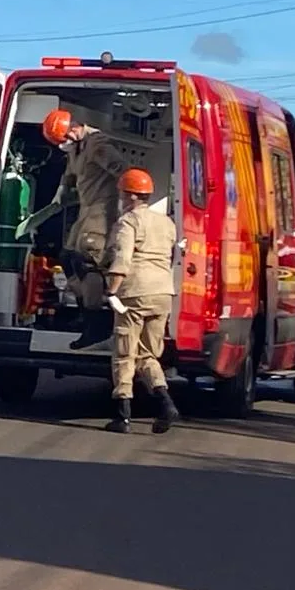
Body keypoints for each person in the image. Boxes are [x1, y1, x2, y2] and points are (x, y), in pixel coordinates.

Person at [41, 108, 129, 350]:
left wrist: (129, 202)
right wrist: (62, 189)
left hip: (102, 212)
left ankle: (96, 324)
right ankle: (85, 313)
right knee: (67, 257)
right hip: (85, 210)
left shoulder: (97, 145)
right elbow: (70, 172)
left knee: (88, 262)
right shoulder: (76, 148)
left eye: (64, 140)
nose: (63, 146)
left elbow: (124, 170)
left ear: (74, 129)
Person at [102, 168, 180, 435]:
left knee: (125, 353)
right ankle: (165, 403)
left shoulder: (128, 222)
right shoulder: (167, 223)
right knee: (149, 354)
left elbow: (123, 259)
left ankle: (122, 416)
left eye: (123, 193)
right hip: (163, 293)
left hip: (134, 293)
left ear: (130, 195)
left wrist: (111, 291)